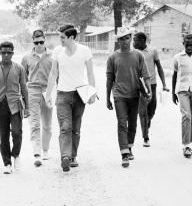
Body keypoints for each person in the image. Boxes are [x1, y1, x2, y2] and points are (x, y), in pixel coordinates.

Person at [45, 24, 96, 172]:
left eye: (62, 37)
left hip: (80, 94)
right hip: (62, 94)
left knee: (76, 128)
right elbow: (53, 74)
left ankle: (73, 156)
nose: (60, 40)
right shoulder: (57, 51)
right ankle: (65, 157)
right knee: (65, 127)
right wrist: (48, 94)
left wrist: (92, 92)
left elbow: (91, 73)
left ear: (71, 37)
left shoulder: (84, 51)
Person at [106, 27, 151, 168]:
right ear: (118, 41)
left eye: (126, 38)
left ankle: (129, 146)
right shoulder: (113, 57)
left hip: (135, 94)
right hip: (119, 95)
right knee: (121, 123)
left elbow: (145, 75)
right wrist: (107, 97)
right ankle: (124, 153)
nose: (124, 41)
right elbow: (109, 79)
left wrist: (149, 91)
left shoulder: (138, 55)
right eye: (121, 38)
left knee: (132, 124)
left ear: (130, 38)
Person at [0, 41, 29, 174]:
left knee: (17, 132)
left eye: (8, 53)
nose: (5, 55)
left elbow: (24, 88)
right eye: (3, 52)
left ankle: (16, 155)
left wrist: (27, 106)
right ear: (0, 53)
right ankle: (7, 163)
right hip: (1, 105)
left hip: (15, 103)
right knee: (3, 135)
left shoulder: (19, 68)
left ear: (12, 53)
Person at [21, 30, 53, 167]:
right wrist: (22, 95)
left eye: (41, 42)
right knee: (34, 124)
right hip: (32, 91)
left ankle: (45, 150)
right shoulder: (27, 57)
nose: (39, 44)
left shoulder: (52, 56)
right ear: (32, 41)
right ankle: (37, 154)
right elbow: (22, 77)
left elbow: (57, 75)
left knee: (47, 125)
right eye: (36, 42)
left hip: (48, 91)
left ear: (44, 40)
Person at [133, 32, 170, 147]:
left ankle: (147, 122)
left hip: (152, 84)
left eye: (136, 40)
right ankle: (146, 137)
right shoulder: (133, 52)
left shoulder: (153, 51)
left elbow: (159, 67)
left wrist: (164, 84)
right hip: (139, 85)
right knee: (142, 112)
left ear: (143, 40)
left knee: (152, 109)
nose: (133, 43)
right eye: (133, 40)